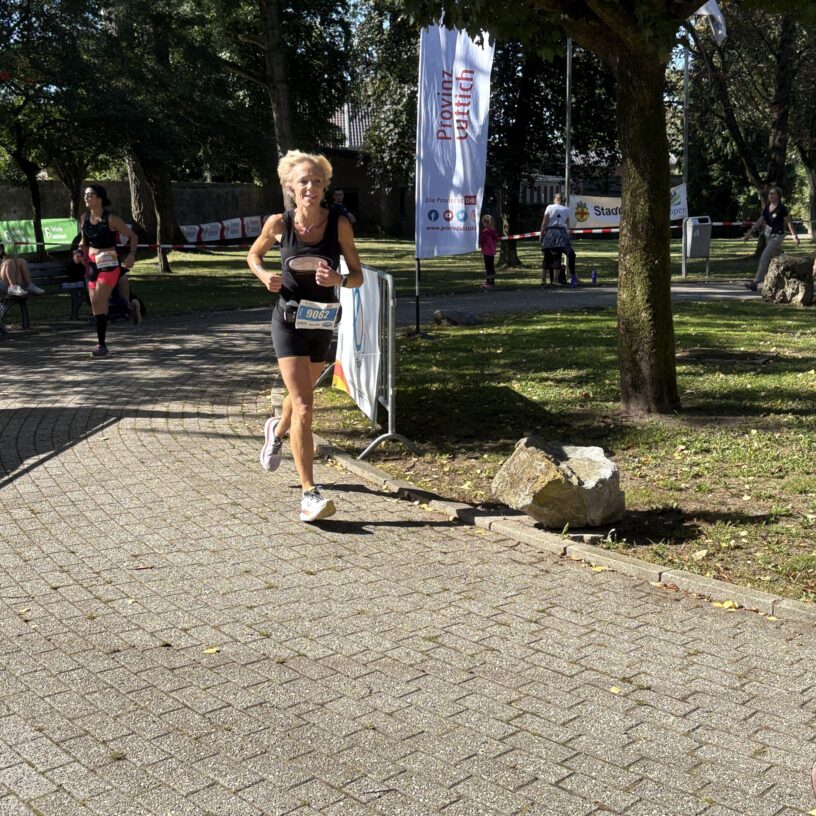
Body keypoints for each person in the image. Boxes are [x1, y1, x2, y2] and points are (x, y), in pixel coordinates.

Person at [247, 150, 364, 523]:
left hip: (322, 321)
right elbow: (253, 255)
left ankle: (276, 430)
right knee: (304, 406)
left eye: (317, 181)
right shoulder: (278, 224)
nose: (310, 187)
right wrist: (264, 276)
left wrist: (339, 279)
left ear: (325, 186)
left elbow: (358, 276)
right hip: (287, 320)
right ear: (289, 187)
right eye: (303, 181)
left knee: (302, 397)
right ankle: (309, 494)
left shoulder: (339, 225)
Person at [73, 184, 141, 357]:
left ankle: (101, 346)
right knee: (97, 306)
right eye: (85, 194)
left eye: (90, 194)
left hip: (109, 264)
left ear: (100, 198)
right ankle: (129, 307)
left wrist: (131, 255)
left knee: (97, 301)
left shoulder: (111, 219)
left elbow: (133, 236)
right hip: (91, 265)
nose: (86, 197)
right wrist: (78, 253)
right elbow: (83, 242)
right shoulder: (84, 218)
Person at [743, 187, 800, 291]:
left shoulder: (781, 208)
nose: (770, 195)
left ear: (778, 196)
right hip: (768, 236)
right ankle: (794, 272)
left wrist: (794, 236)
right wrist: (749, 233)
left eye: (773, 193)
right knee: (779, 258)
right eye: (770, 194)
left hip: (777, 236)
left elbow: (789, 222)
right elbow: (760, 220)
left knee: (764, 257)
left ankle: (756, 282)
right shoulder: (767, 207)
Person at [539, 192, 576, 286]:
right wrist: (569, 236)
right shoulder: (567, 209)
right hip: (561, 233)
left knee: (546, 257)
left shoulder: (549, 207)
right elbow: (568, 225)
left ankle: (543, 280)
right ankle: (555, 280)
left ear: (555, 199)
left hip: (550, 232)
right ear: (563, 200)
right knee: (557, 257)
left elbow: (544, 222)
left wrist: (541, 234)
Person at [478, 214, 499, 290]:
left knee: (488, 268)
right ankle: (492, 282)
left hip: (486, 252)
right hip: (492, 252)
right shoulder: (494, 231)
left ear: (485, 223)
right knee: (491, 267)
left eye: (483, 223)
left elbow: (481, 241)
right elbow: (496, 238)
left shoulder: (485, 232)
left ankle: (488, 282)